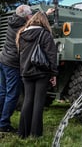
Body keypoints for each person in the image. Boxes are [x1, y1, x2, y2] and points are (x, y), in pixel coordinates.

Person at [16, 11, 58, 139]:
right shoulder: (45, 34)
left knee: (27, 101)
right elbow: (52, 56)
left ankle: (23, 133)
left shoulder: (21, 34)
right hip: (41, 72)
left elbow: (21, 55)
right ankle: (35, 134)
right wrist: (53, 74)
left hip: (26, 72)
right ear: (44, 21)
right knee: (38, 102)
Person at [0, 5, 33, 133]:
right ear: (26, 16)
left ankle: (1, 120)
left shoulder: (12, 21)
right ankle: (3, 124)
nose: (31, 16)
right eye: (30, 14)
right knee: (12, 94)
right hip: (12, 64)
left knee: (3, 92)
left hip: (3, 60)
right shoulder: (23, 28)